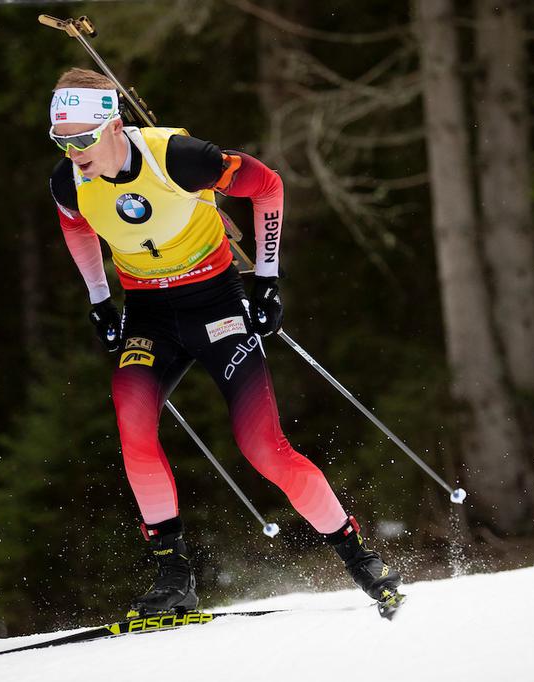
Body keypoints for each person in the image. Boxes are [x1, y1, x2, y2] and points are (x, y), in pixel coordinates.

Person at [47, 67, 402, 616]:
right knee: (133, 428)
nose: (74, 152)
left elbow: (269, 186)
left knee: (263, 448)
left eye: (83, 138)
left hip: (214, 303)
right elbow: (75, 223)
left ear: (114, 124)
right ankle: (174, 576)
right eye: (61, 140)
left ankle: (360, 558)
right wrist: (99, 300)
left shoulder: (181, 158)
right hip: (148, 312)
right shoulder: (68, 181)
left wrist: (266, 279)